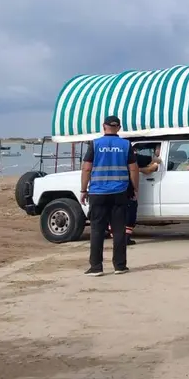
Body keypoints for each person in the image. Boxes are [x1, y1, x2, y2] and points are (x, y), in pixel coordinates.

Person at [80, 116, 139, 276]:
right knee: (119, 230)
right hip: (119, 193)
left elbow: (86, 169)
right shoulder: (126, 145)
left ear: (104, 126)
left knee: (97, 230)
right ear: (119, 128)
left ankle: (96, 267)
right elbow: (133, 169)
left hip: (98, 193)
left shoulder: (95, 144)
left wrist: (83, 190)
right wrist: (135, 189)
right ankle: (119, 266)